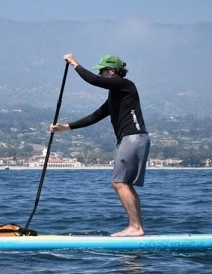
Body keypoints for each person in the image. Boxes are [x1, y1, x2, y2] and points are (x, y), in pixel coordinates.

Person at [51, 54, 151, 237]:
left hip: (132, 138)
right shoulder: (117, 94)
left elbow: (93, 80)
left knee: (118, 183)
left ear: (111, 71)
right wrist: (67, 127)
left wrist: (74, 63)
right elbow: (96, 115)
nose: (100, 73)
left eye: (102, 70)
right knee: (125, 184)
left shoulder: (124, 84)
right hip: (136, 138)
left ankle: (135, 227)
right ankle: (136, 227)